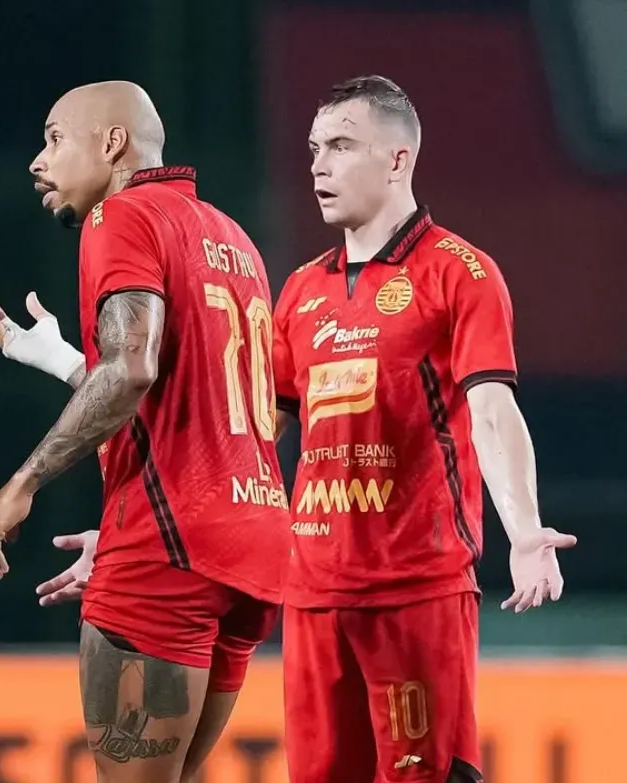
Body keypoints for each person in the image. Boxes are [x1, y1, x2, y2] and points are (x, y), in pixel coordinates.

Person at [0, 81, 288, 783]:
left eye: (55, 138)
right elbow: (185, 398)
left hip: (169, 549)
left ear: (113, 144)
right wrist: (58, 359)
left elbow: (133, 366)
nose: (37, 159)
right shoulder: (232, 237)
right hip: (256, 544)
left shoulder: (119, 215)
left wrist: (22, 482)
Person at [270, 74, 575, 783]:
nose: (318, 164)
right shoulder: (299, 291)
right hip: (311, 596)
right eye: (315, 148)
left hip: (415, 592)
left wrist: (525, 529)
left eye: (341, 146)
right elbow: (255, 439)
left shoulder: (460, 273)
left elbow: (493, 410)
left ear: (399, 159)